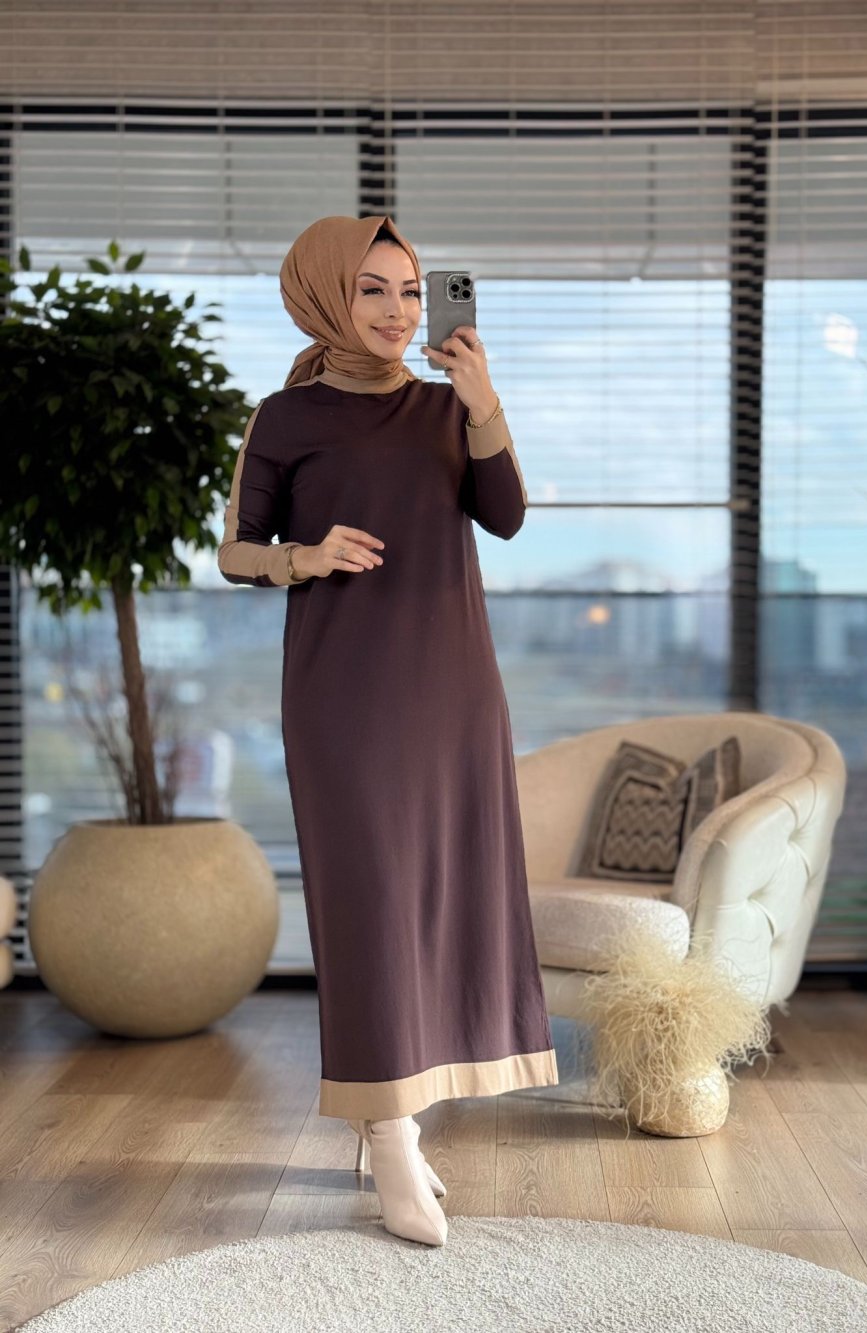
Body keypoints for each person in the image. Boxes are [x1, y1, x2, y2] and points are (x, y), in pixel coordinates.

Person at [217, 214, 559, 1247]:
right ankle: (392, 1133)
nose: (399, 311)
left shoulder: (446, 406)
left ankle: (397, 1119)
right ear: (326, 295)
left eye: (411, 291)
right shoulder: (285, 417)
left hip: (454, 689)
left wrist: (483, 399)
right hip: (344, 699)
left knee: (446, 898)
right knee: (370, 903)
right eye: (372, 289)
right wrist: (305, 556)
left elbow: (506, 515)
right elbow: (235, 550)